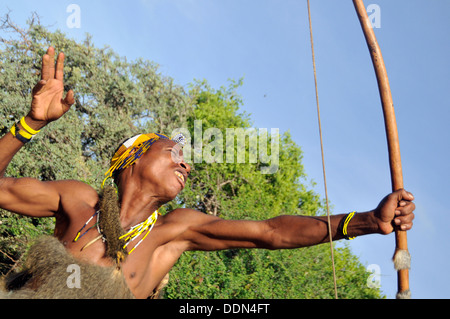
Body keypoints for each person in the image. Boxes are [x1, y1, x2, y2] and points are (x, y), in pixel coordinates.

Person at [0, 47, 415, 299]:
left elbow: (270, 233)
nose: (186, 163)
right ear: (134, 158)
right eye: (174, 152)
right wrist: (30, 125)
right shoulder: (77, 201)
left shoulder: (174, 232)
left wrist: (364, 222)